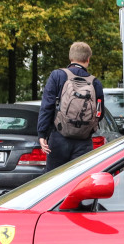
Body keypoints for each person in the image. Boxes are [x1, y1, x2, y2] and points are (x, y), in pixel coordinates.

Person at [37, 41, 104, 171]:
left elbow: (47, 106)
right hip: (84, 142)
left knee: (54, 181)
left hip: (58, 139)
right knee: (79, 182)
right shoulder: (95, 82)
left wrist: (42, 134)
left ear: (70, 57)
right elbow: (99, 113)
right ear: (88, 59)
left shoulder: (57, 76)